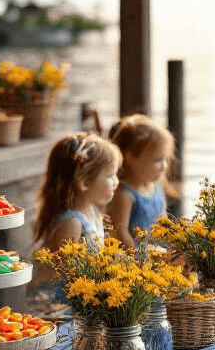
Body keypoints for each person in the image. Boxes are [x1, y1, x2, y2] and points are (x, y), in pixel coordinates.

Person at [31, 131, 122, 279]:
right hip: (61, 298)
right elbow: (61, 276)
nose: (117, 182)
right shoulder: (72, 224)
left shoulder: (91, 210)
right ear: (85, 182)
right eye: (110, 175)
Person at [108, 114, 175, 246]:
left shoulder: (156, 186)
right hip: (136, 258)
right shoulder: (124, 194)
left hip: (158, 252)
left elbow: (162, 220)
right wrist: (139, 257)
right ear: (129, 157)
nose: (164, 166)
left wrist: (175, 241)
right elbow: (119, 233)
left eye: (165, 159)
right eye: (157, 160)